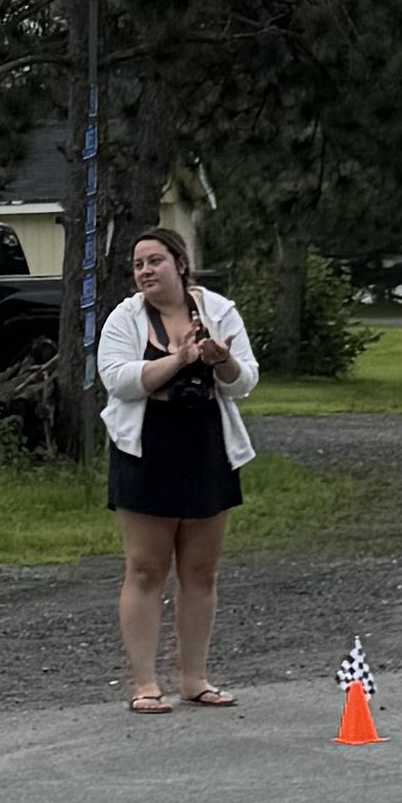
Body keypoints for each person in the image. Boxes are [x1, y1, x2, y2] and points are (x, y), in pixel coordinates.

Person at [97, 225, 261, 714]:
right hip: (146, 449)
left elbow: (245, 381)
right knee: (146, 568)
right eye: (138, 264)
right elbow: (119, 380)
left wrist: (221, 360)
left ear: (180, 264)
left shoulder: (218, 310)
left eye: (155, 261)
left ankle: (195, 679)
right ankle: (145, 684)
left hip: (206, 446)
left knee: (200, 570)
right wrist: (179, 359)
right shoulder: (124, 318)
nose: (145, 271)